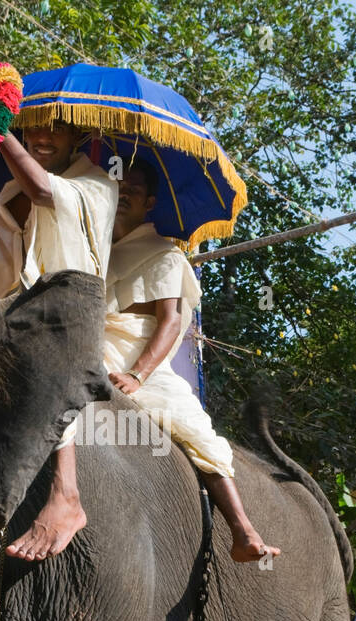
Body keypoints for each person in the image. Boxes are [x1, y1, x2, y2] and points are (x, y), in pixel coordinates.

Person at [101, 159, 276, 561]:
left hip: (141, 364)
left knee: (192, 428)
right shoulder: (92, 248)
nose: (123, 194)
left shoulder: (164, 255)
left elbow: (171, 322)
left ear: (149, 203)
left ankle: (243, 530)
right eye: (118, 187)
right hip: (91, 347)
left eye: (133, 190)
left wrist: (136, 376)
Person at [0, 120, 118, 561]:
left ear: (79, 138)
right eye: (31, 128)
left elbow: (44, 191)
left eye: (56, 129)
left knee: (45, 356)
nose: (41, 137)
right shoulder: (8, 194)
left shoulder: (98, 185)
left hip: (67, 317)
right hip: (9, 316)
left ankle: (66, 494)